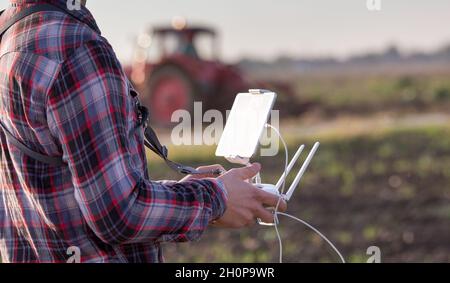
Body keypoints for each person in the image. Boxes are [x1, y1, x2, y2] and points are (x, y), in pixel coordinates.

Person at [0, 0, 286, 263]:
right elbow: (119, 215)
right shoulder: (76, 49)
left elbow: (67, 189)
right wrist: (217, 198)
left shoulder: (9, 36)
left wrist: (187, 191)